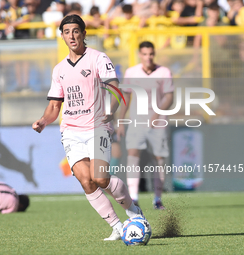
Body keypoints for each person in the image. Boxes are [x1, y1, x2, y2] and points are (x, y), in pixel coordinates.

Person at [32, 14, 143, 241]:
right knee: (86, 180)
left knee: (101, 178)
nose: (71, 36)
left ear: (83, 33)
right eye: (66, 32)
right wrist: (43, 121)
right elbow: (54, 106)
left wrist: (109, 111)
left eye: (75, 31)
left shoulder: (98, 58)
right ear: (62, 36)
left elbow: (115, 88)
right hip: (71, 131)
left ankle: (134, 212)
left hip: (97, 126)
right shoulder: (59, 69)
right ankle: (117, 227)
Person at [117, 41, 174, 210]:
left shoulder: (163, 72)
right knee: (133, 156)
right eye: (145, 54)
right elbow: (126, 97)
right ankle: (133, 197)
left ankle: (157, 198)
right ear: (139, 55)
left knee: (159, 159)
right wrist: (120, 120)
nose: (148, 57)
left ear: (154, 54)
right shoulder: (131, 72)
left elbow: (169, 97)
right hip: (137, 121)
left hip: (158, 122)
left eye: (151, 54)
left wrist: (156, 114)